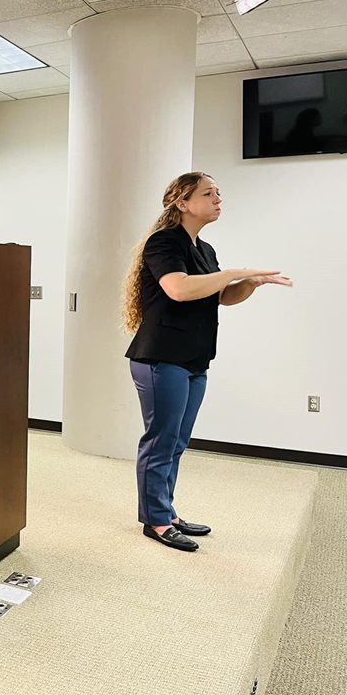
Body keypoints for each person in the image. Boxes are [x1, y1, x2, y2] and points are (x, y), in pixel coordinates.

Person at [122, 171, 292, 552]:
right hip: (160, 357)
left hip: (194, 358)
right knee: (161, 440)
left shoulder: (206, 250)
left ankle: (166, 510)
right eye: (208, 193)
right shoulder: (163, 243)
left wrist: (249, 284)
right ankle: (157, 521)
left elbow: (219, 297)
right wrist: (233, 273)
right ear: (182, 203)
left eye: (219, 194)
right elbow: (179, 289)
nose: (218, 200)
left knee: (177, 441)